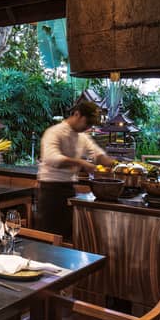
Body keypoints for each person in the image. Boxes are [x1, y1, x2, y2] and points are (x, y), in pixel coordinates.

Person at [37, 101, 116, 240]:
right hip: (50, 191)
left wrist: (116, 164)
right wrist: (80, 162)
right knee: (50, 237)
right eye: (87, 123)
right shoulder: (54, 132)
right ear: (77, 114)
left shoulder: (82, 136)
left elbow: (97, 154)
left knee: (67, 236)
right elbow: (52, 158)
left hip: (69, 189)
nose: (88, 127)